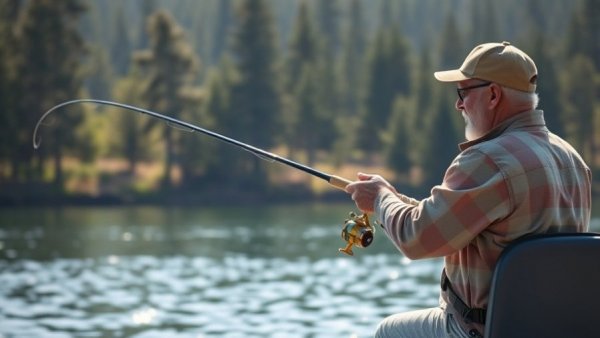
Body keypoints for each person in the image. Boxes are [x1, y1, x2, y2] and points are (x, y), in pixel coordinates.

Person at [345, 41, 592, 338]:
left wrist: (380, 198)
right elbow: (451, 222)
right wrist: (394, 200)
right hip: (559, 330)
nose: (458, 104)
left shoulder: (487, 160)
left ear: (492, 95)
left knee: (389, 331)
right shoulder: (573, 160)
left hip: (484, 330)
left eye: (463, 93)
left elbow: (417, 238)